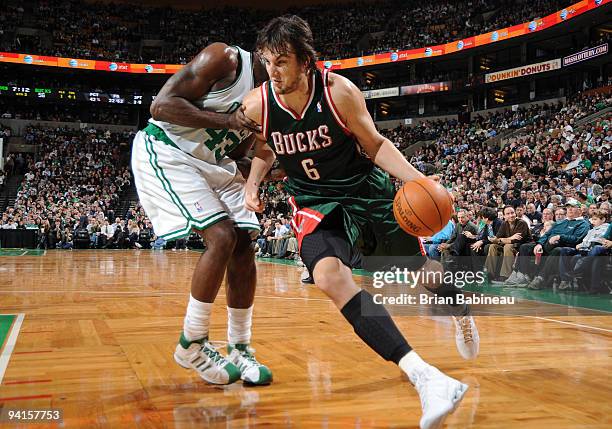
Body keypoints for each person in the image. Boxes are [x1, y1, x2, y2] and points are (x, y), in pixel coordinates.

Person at [241, 15, 476, 429]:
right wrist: (252, 184)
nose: (273, 72)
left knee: (420, 273)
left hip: (366, 193)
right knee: (330, 277)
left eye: (281, 62)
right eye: (267, 62)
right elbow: (264, 147)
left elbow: (376, 145)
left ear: (305, 62)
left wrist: (418, 180)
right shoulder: (259, 103)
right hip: (315, 202)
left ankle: (459, 308)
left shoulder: (339, 92)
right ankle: (425, 376)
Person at [131, 42, 272, 385]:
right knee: (221, 237)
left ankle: (239, 346)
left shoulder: (275, 96)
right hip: (168, 150)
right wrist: (227, 119)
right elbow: (161, 106)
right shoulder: (224, 59)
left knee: (243, 243)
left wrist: (272, 170)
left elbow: (234, 151)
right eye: (281, 63)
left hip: (212, 163)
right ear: (267, 54)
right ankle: (192, 341)